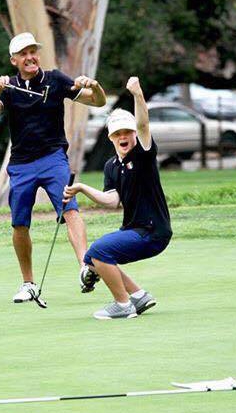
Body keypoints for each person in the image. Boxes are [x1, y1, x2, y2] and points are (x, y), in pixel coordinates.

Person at [0, 32, 107, 303]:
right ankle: (28, 284)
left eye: (33, 52)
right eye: (23, 54)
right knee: (20, 223)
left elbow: (97, 102)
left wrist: (94, 86)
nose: (30, 57)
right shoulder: (10, 87)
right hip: (22, 165)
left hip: (53, 158)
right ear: (14, 60)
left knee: (69, 208)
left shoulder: (56, 80)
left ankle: (85, 266)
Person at [63, 76, 172, 319]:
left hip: (153, 231)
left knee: (100, 251)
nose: (123, 137)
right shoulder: (111, 166)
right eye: (117, 133)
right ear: (111, 137)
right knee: (92, 257)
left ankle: (123, 305)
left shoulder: (142, 154)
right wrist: (81, 188)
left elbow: (144, 126)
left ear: (133, 134)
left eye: (127, 132)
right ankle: (138, 296)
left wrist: (137, 94)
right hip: (134, 229)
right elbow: (113, 201)